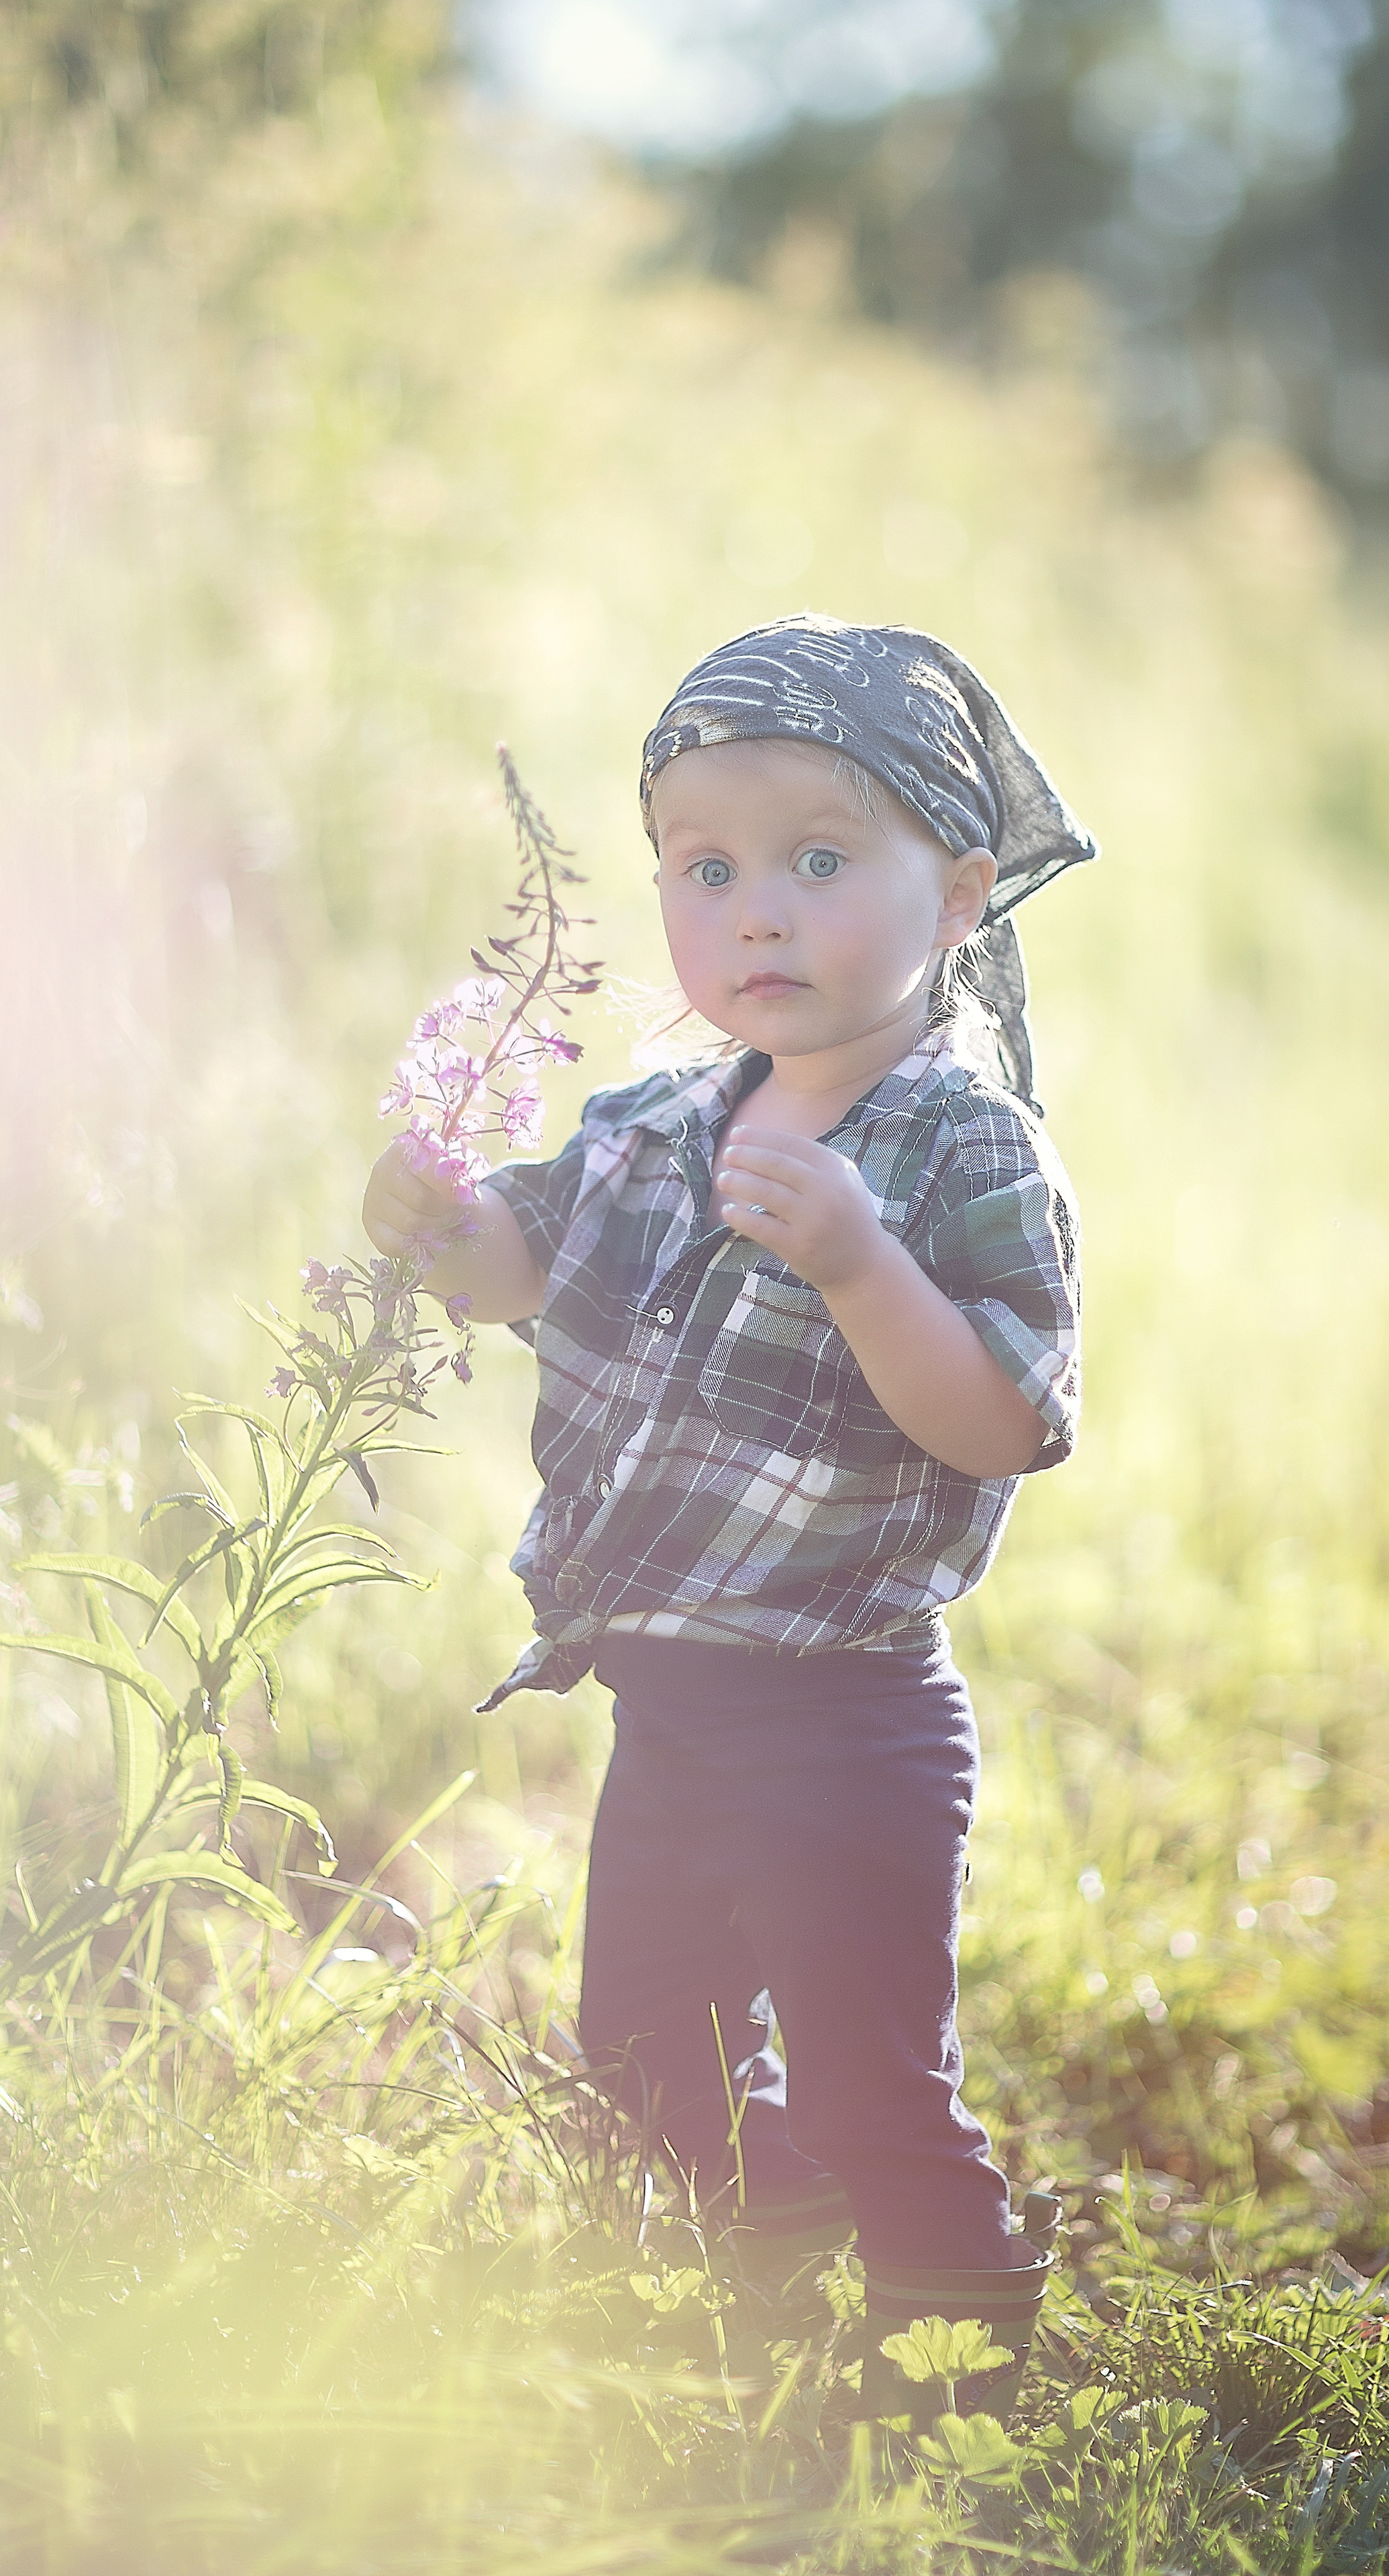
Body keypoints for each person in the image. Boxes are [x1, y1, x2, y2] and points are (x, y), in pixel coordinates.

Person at [362, 614, 1094, 2416]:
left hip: (849, 1717)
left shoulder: (958, 1144)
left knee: (866, 2068)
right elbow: (528, 1266)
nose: (754, 910)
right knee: (647, 2053)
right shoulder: (648, 1123)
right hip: (672, 1710)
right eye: (707, 867)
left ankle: (957, 2371)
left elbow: (1003, 1423)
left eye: (818, 860)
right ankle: (769, 2261)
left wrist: (855, 1258)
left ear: (961, 892)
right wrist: (437, 1231)